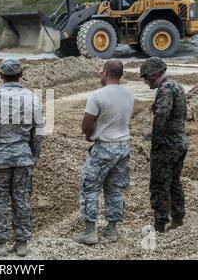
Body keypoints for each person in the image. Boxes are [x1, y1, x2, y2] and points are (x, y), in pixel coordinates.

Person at [0, 59, 43, 257]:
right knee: (22, 199)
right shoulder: (33, 98)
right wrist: (34, 156)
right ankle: (22, 244)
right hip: (23, 158)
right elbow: (38, 133)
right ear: (20, 75)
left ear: (1, 75)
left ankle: (0, 243)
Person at [73, 59, 134, 245]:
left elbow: (86, 124)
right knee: (115, 188)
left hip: (104, 147)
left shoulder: (97, 96)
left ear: (106, 73)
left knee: (89, 186)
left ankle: (90, 231)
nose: (100, 73)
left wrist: (89, 135)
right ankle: (111, 230)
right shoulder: (129, 95)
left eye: (102, 70)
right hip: (123, 146)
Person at [140, 57, 187, 233]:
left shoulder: (166, 89)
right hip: (180, 142)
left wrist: (155, 142)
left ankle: (160, 224)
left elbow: (161, 116)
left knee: (159, 184)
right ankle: (178, 218)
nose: (145, 82)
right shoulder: (177, 86)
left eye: (146, 77)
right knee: (175, 181)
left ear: (155, 74)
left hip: (167, 146)